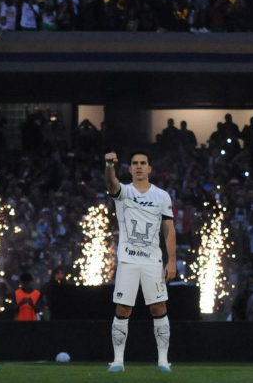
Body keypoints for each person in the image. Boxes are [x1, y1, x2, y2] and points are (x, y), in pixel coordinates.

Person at [104, 150, 176, 373]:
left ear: (149, 168)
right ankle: (117, 361)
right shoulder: (123, 192)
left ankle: (163, 361)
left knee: (158, 307)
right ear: (130, 168)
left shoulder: (162, 196)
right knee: (123, 308)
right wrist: (109, 165)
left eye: (143, 163)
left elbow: (169, 229)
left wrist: (171, 260)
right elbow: (111, 182)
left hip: (153, 261)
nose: (138, 166)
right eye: (135, 163)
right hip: (127, 260)